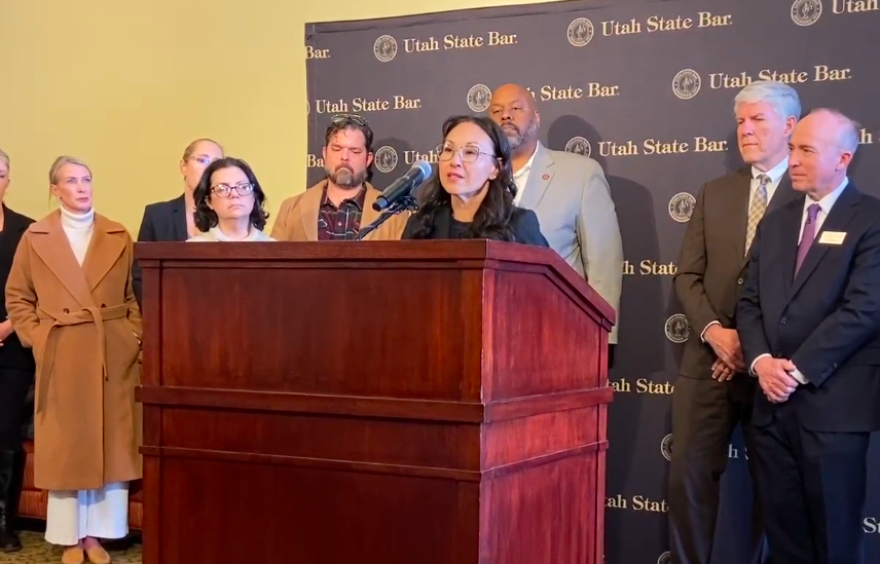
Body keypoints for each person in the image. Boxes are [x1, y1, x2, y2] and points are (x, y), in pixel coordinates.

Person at [737, 108, 880, 564]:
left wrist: (795, 371)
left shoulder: (871, 220)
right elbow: (749, 302)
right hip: (770, 410)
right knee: (786, 541)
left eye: (805, 150)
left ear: (843, 158)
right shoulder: (776, 222)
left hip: (833, 411)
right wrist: (762, 363)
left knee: (836, 540)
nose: (792, 158)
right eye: (793, 147)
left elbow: (864, 309)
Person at [669, 80, 802, 564]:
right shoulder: (714, 193)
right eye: (740, 121)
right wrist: (716, 335)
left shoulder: (810, 197)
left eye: (757, 120)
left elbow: (809, 290)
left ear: (790, 126)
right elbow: (687, 275)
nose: (745, 130)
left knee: (775, 491)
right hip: (707, 362)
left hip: (775, 368)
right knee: (686, 477)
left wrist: (750, 348)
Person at [5, 156, 143, 564]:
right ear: (54, 189)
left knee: (109, 443)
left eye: (86, 179)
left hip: (110, 351)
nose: (82, 187)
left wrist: (133, 335)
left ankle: (98, 536)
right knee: (67, 447)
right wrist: (37, 338)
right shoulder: (35, 235)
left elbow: (132, 295)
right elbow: (18, 296)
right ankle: (69, 536)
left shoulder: (117, 233)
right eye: (71, 181)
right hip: (61, 351)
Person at [488, 84, 623, 354]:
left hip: (558, 336)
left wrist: (600, 337)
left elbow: (603, 264)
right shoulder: (476, 178)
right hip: (490, 337)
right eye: (497, 111)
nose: (506, 116)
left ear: (536, 117)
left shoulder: (580, 174)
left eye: (516, 108)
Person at [401, 114, 548, 247]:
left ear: (496, 168)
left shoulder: (518, 225)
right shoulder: (420, 225)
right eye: (448, 150)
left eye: (470, 152)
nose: (454, 161)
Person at [271, 114, 408, 241]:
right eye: (337, 149)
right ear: (325, 154)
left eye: (354, 151)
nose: (344, 157)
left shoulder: (393, 214)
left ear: (368, 159)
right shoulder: (291, 209)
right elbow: (272, 264)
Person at [132, 139, 224, 301]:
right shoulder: (157, 215)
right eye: (201, 160)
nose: (208, 168)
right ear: (183, 166)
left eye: (216, 163)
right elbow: (141, 277)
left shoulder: (230, 216)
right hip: (169, 313)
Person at [0, 149, 35, 553]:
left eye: (2, 173)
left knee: (6, 435)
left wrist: (10, 324)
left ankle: (4, 522)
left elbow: (34, 289)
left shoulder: (28, 230)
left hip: (13, 346)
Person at [187, 157, 274, 241]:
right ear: (208, 201)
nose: (234, 194)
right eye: (222, 189)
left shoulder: (274, 249)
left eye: (243, 187)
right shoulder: (191, 249)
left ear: (254, 196)